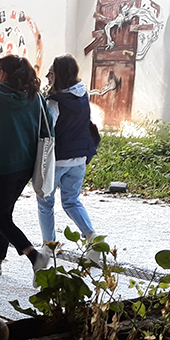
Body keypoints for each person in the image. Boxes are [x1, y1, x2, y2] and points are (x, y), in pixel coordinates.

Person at [0, 55, 52, 278]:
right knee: (5, 213)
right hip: (27, 165)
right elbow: (48, 128)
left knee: (0, 218)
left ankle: (34, 256)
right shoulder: (37, 99)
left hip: (2, 165)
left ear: (3, 74)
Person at [37, 54, 99, 256]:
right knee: (72, 201)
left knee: (45, 202)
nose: (47, 76)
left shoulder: (55, 102)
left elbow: (47, 131)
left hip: (57, 160)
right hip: (80, 158)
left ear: (60, 75)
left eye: (51, 73)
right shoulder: (82, 95)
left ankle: (49, 245)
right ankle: (92, 237)